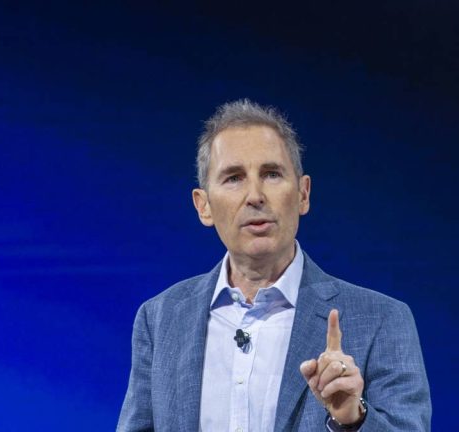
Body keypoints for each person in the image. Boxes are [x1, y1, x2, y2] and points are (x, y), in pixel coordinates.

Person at [117, 99, 431, 431]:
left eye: (271, 174)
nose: (255, 195)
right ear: (204, 206)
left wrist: (352, 419)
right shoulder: (160, 319)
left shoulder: (381, 320)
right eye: (234, 178)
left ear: (303, 194)